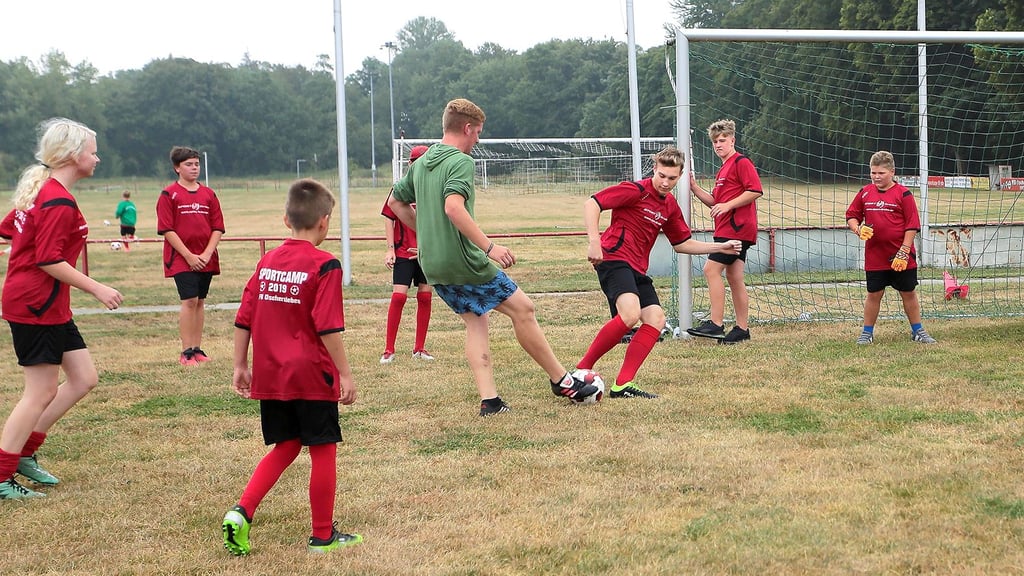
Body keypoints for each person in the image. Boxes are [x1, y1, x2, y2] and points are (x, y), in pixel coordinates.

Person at [388, 98, 598, 416]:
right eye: (478, 133)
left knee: (476, 320)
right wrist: (490, 248)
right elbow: (453, 208)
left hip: (432, 264)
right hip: (465, 262)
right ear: (467, 128)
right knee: (523, 310)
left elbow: (395, 203)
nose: (478, 140)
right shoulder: (460, 162)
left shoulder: (421, 162)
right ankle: (562, 380)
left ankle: (490, 401)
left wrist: (429, 235)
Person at [222, 178, 361, 555]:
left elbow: (243, 318)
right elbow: (328, 326)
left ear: (286, 220)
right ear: (324, 222)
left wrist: (239, 364)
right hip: (311, 373)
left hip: (271, 371)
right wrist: (345, 373)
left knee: (286, 445)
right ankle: (322, 536)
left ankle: (241, 512)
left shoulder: (266, 261)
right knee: (323, 449)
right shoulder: (325, 264)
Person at [0, 118, 123, 500]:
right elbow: (48, 260)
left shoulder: (43, 190)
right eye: (92, 150)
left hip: (48, 304)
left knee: (84, 378)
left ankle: (23, 451)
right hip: (36, 304)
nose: (97, 157)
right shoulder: (55, 199)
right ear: (73, 155)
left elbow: (8, 230)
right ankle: (2, 476)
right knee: (39, 392)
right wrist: (97, 288)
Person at [577, 146, 742, 399]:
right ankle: (581, 371)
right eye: (662, 175)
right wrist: (594, 241)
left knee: (656, 319)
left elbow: (682, 244)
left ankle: (623, 385)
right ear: (654, 169)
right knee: (630, 315)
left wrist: (721, 246)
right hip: (614, 258)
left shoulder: (670, 206)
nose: (665, 182)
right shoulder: (635, 190)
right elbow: (593, 203)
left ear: (680, 177)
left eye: (672, 178)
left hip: (637, 268)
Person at [845, 150, 937, 345]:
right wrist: (857, 229)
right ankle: (867, 333)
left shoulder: (903, 194)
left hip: (901, 255)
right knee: (874, 293)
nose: (876, 177)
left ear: (892, 172)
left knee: (908, 292)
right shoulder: (865, 192)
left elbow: (912, 225)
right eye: (873, 173)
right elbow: (852, 215)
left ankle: (917, 331)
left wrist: (904, 252)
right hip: (875, 256)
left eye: (881, 173)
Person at [687, 119, 763, 344]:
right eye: (715, 142)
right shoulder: (723, 169)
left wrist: (728, 205)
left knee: (711, 270)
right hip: (728, 227)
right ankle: (742, 329)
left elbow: (755, 190)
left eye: (722, 140)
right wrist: (694, 187)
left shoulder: (741, 162)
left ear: (732, 140)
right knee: (734, 276)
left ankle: (716, 324)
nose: (719, 144)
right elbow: (715, 202)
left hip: (737, 228)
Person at [156, 146, 225, 366]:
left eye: (196, 164)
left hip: (206, 257)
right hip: (181, 258)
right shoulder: (169, 194)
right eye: (188, 164)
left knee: (200, 301)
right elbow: (167, 229)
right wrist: (188, 256)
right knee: (189, 300)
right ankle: (185, 352)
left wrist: (206, 253)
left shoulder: (209, 194)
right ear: (177, 168)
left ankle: (197, 349)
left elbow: (217, 227)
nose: (194, 168)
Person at [380, 145, 434, 364]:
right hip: (403, 250)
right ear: (411, 164)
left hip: (426, 252)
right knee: (399, 296)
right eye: (418, 163)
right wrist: (390, 249)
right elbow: (388, 217)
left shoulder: (432, 189)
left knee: (425, 296)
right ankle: (388, 349)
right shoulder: (400, 188)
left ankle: (419, 348)